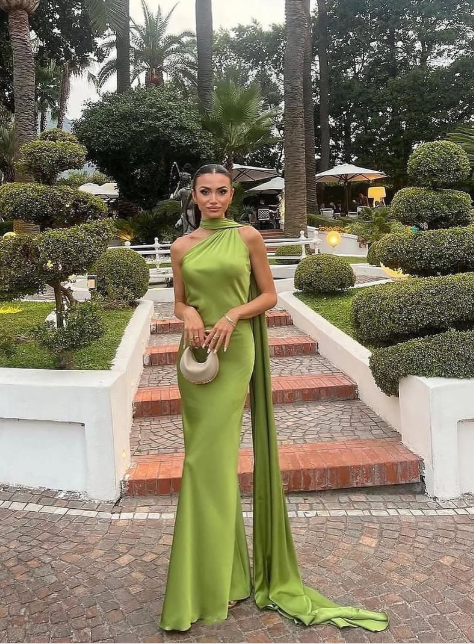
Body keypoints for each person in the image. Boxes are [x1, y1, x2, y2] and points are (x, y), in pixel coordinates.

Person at [159, 164, 389, 633]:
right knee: (203, 461)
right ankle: (220, 577)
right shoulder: (181, 246)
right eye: (205, 191)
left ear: (232, 195)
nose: (214, 199)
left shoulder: (247, 237)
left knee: (210, 460)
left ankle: (211, 581)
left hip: (235, 349)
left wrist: (232, 315)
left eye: (222, 191)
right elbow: (180, 299)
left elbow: (268, 296)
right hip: (197, 355)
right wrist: (187, 315)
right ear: (194, 196)